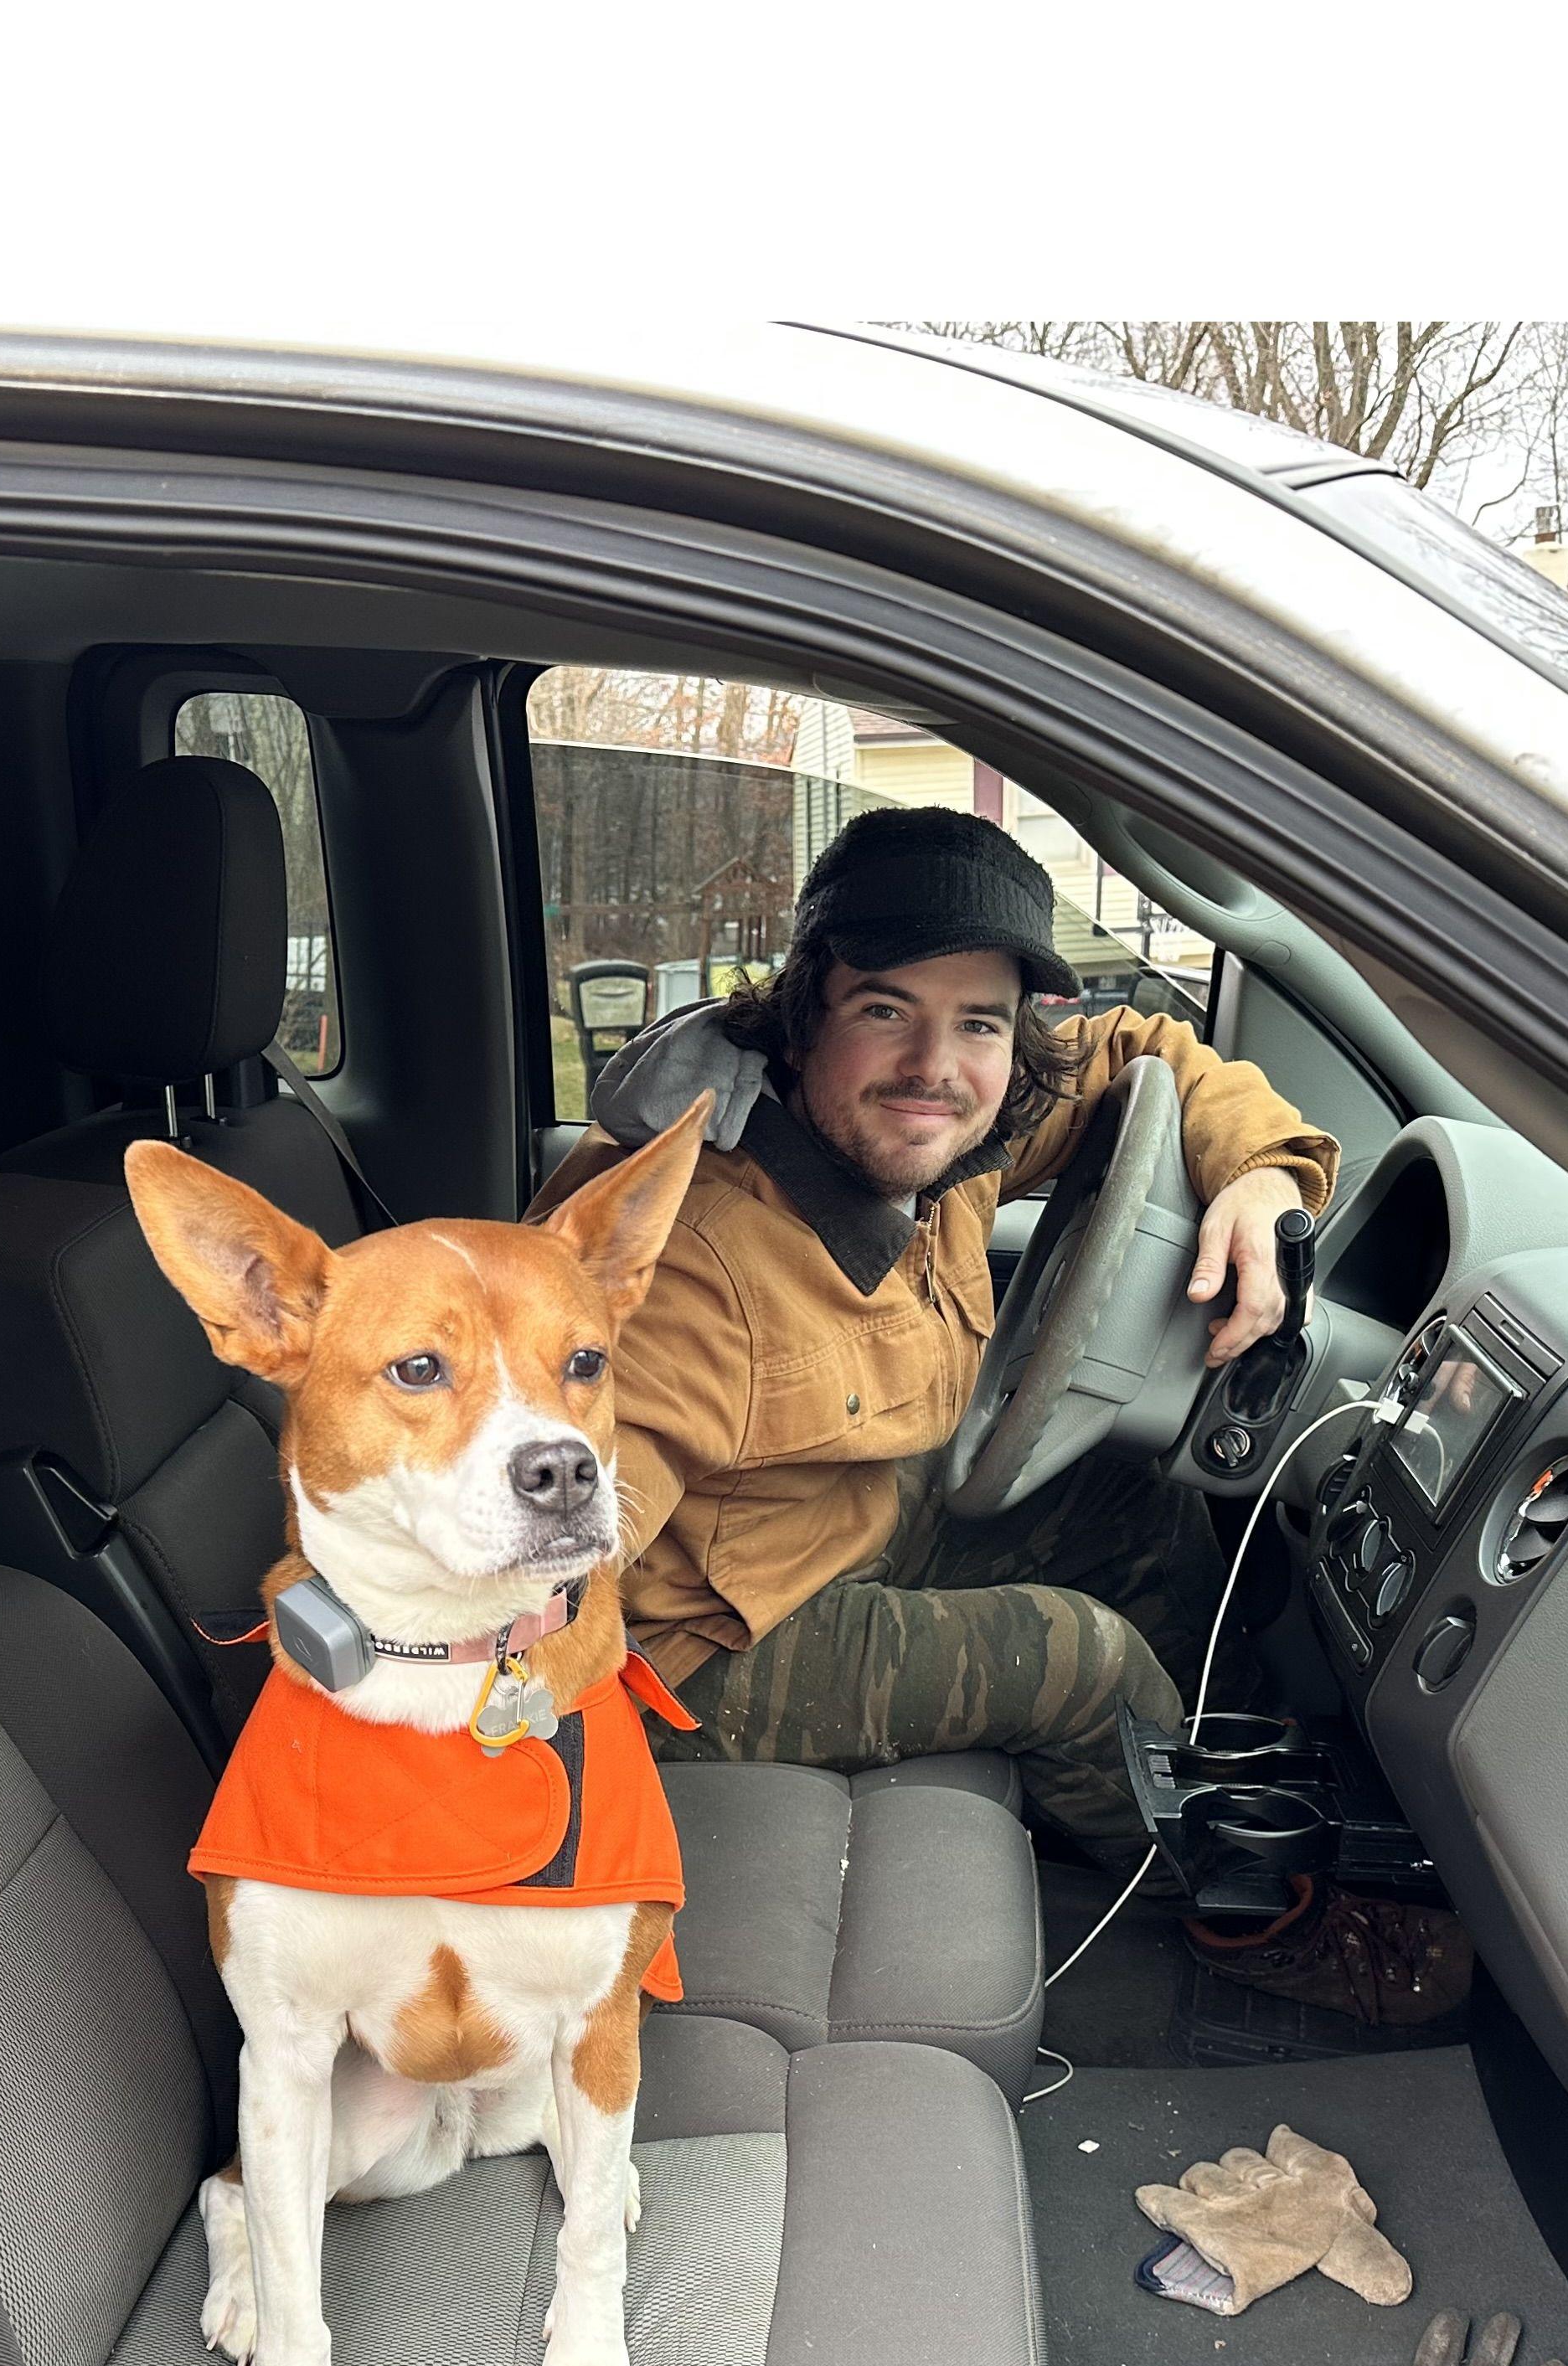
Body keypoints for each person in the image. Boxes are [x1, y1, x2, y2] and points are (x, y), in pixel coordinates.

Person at [533, 803, 1456, 2024]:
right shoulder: (686, 1255)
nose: (935, 1066)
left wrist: (1261, 1174)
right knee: (1082, 1661)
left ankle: (1199, 1785)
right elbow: (559, 1525)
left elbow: (1145, 1050)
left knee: (1140, 1507)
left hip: (835, 1519)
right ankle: (1245, 1909)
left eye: (977, 1021)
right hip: (695, 1644)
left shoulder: (949, 1131)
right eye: (885, 1011)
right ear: (805, 1013)